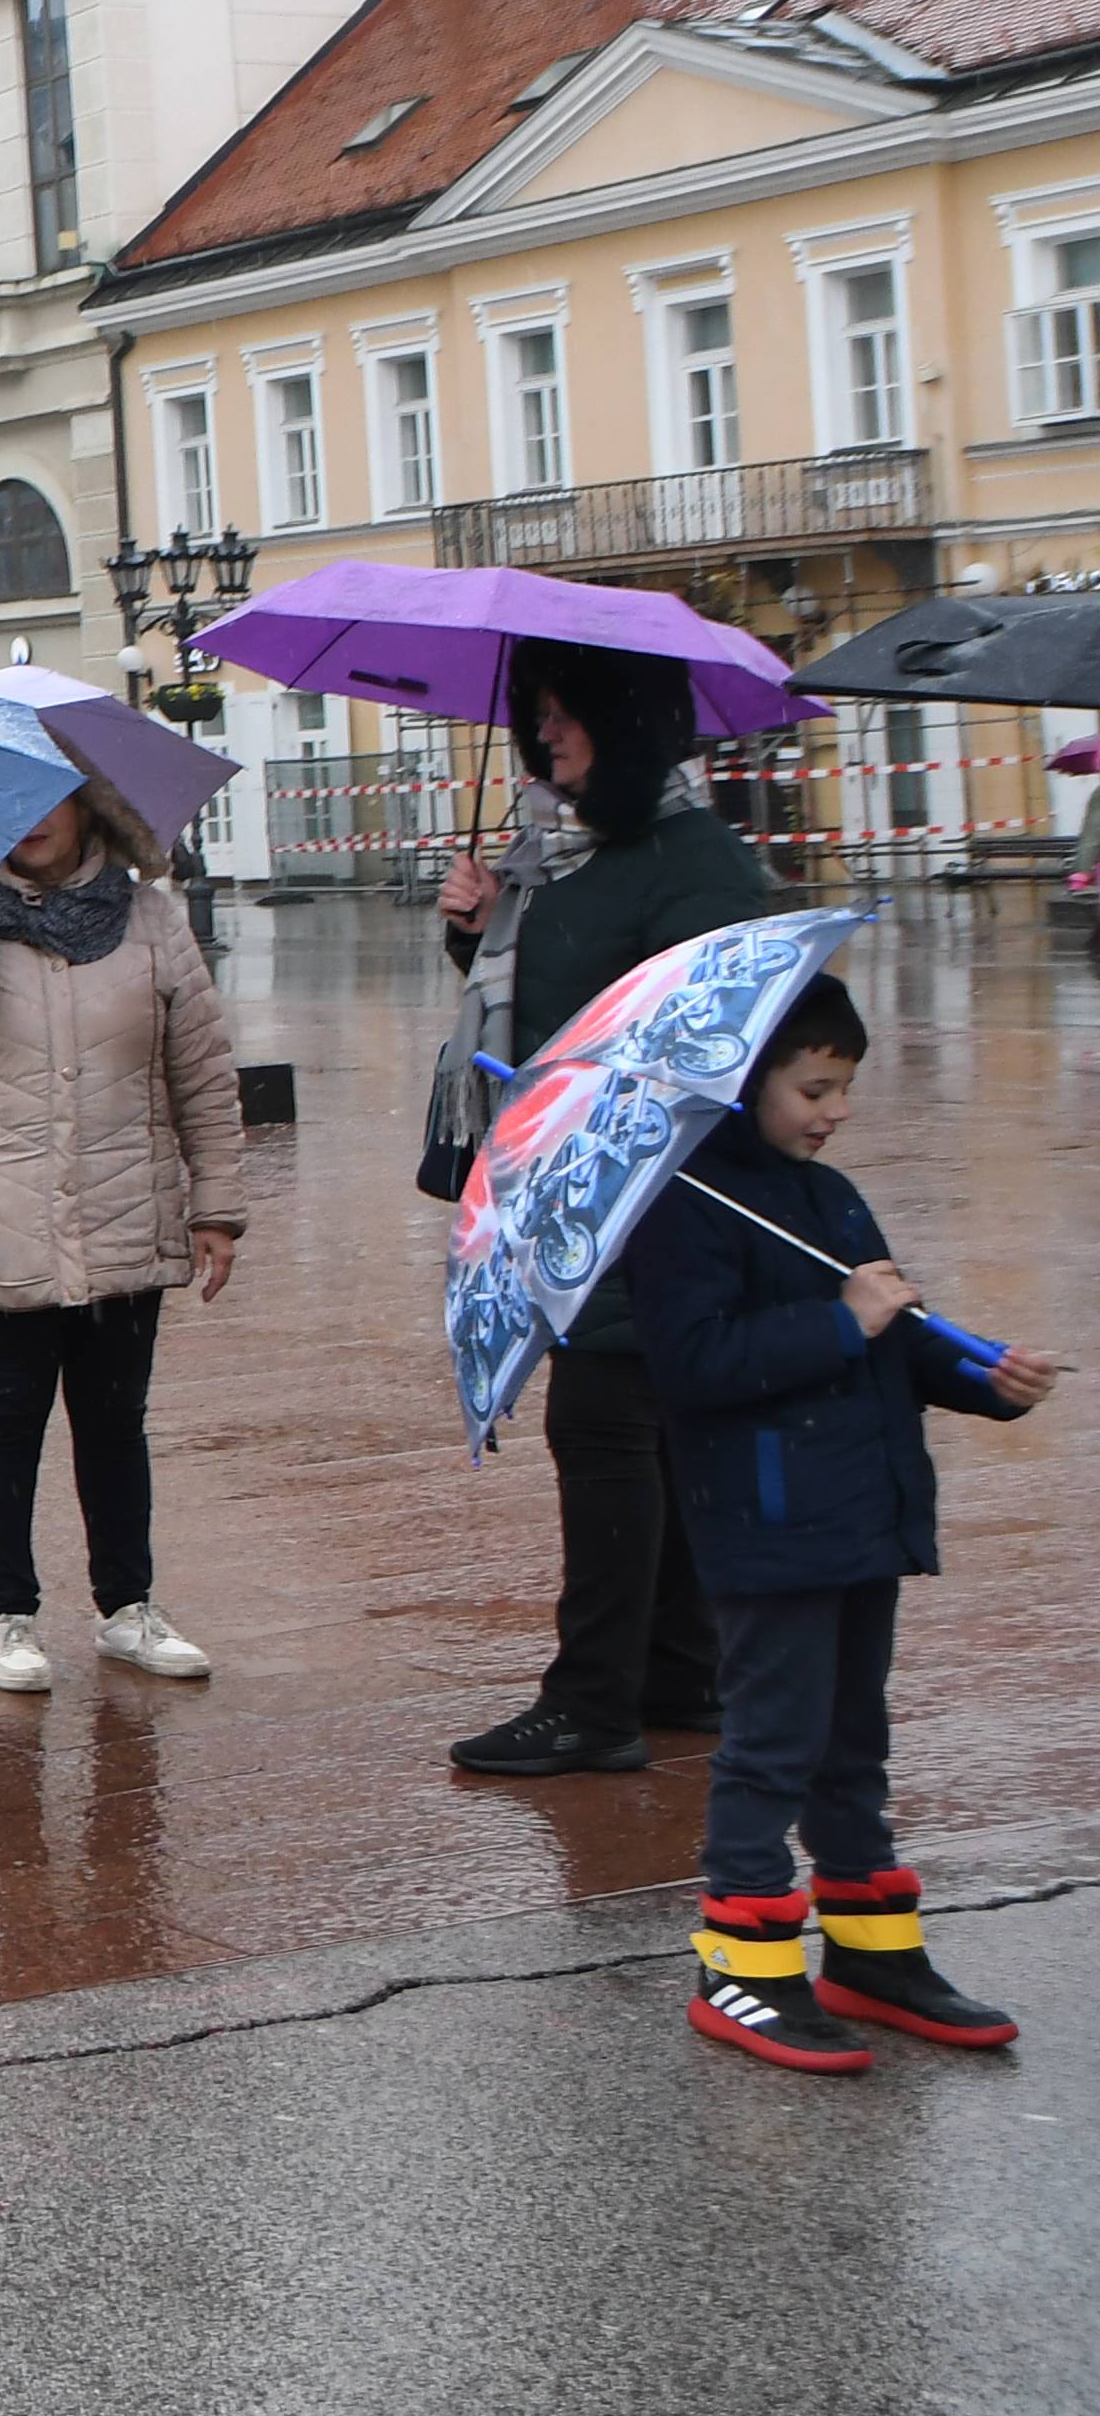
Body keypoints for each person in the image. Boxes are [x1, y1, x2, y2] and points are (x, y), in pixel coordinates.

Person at [615, 971, 1059, 2066]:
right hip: (769, 1523)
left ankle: (870, 1949)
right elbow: (699, 1365)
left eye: (844, 1086)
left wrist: (978, 1374)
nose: (834, 1110)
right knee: (771, 1743)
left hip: (861, 1509)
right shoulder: (685, 1204)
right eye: (814, 1086)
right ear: (749, 1079)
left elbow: (896, 1335)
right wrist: (839, 1318)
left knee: (854, 1739)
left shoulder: (830, 1193)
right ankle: (745, 1961)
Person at [435, 640, 782, 1780]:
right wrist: (476, 928)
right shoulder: (567, 856)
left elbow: (720, 1025)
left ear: (628, 721)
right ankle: (680, 1672)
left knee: (603, 1429)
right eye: (537, 718)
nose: (551, 739)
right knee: (652, 1435)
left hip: (657, 1196)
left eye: (568, 714)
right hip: (579, 1184)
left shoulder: (696, 859)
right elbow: (549, 993)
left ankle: (593, 1699)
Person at [0, 783, 247, 1697]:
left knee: (115, 1423)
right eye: (7, 801)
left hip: (127, 1210)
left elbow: (200, 1066)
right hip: (1, 1216)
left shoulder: (149, 919)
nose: (28, 818)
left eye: (49, 800)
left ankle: (128, 1607)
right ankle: (4, 1615)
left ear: (91, 809)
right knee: (6, 1423)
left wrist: (219, 1205)